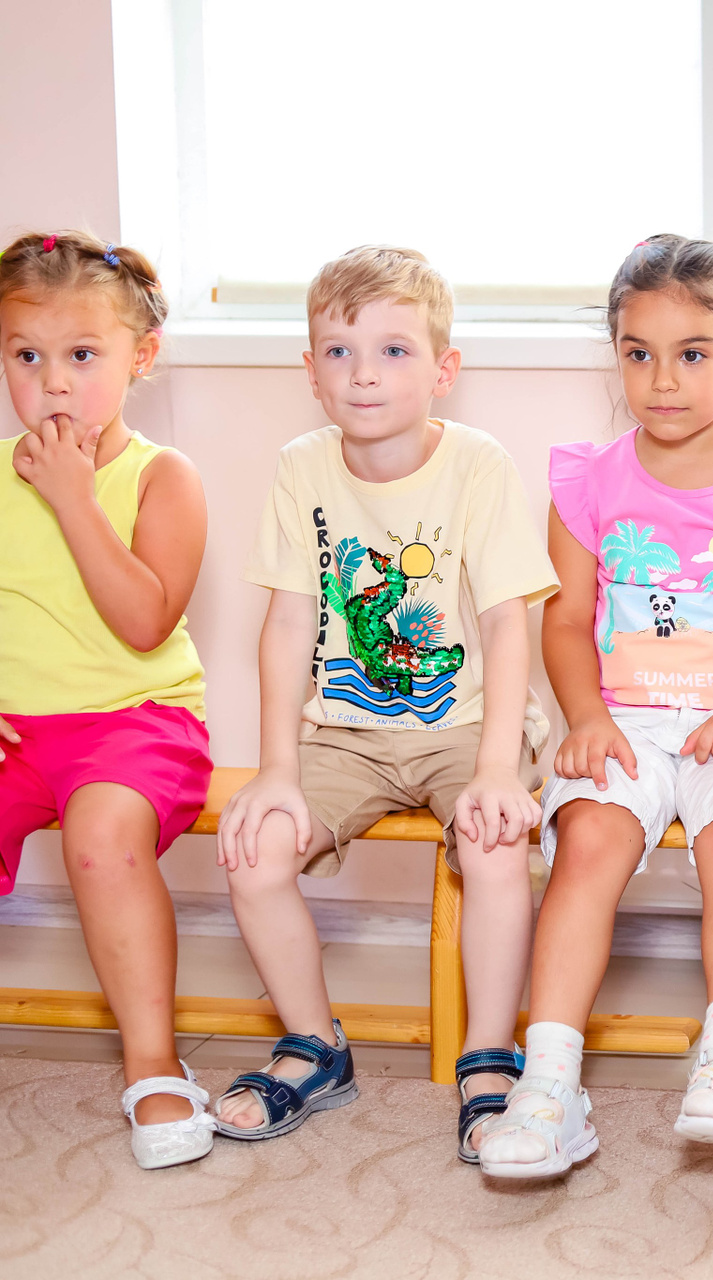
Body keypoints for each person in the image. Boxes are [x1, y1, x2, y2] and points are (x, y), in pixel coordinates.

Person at [478, 235, 713, 1176]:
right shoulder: (586, 481)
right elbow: (565, 623)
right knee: (588, 846)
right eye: (639, 354)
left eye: (692, 354)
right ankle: (548, 1085)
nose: (663, 380)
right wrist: (586, 719)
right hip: (626, 722)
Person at [216, 246, 557, 1160]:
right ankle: (314, 1046)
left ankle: (490, 1056)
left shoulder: (477, 464)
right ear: (312, 372)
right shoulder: (301, 467)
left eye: (394, 350)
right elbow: (288, 624)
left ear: (444, 369)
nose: (363, 373)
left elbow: (508, 622)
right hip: (343, 734)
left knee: (493, 841)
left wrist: (497, 768)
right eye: (339, 351)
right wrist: (276, 770)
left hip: (468, 728)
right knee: (254, 849)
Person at [0, 230, 216, 1169]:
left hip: (136, 722)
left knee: (100, 838)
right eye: (27, 357)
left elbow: (142, 621)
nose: (54, 384)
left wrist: (75, 499)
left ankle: (154, 1060)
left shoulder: (163, 477)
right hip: (18, 730)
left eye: (82, 355)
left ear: (142, 356)